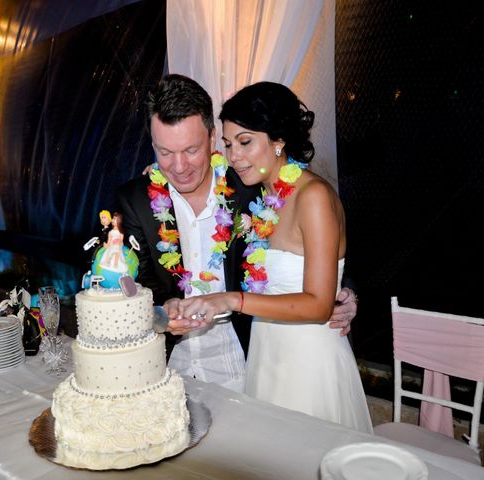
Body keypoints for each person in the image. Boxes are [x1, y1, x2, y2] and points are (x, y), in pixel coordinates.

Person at [116, 74, 358, 393]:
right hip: (166, 367)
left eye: (190, 150)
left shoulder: (250, 189)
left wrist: (346, 292)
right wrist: (163, 310)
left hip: (244, 363)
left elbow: (311, 250)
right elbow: (130, 281)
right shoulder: (135, 199)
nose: (178, 166)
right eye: (165, 152)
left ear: (212, 138)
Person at [167, 81, 372, 432]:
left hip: (308, 366)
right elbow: (196, 169)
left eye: (245, 142)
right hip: (265, 356)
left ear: (278, 140)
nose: (234, 156)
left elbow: (320, 305)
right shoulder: (260, 198)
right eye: (229, 145)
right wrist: (156, 172)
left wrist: (231, 299)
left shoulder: (314, 196)